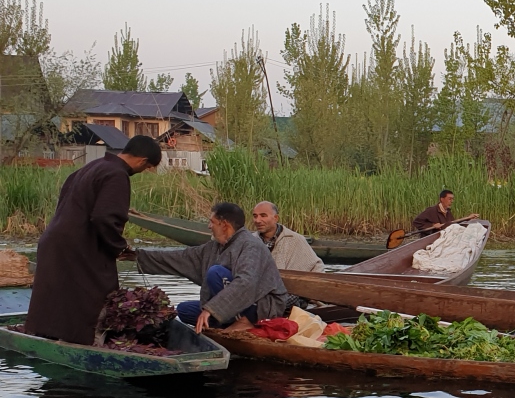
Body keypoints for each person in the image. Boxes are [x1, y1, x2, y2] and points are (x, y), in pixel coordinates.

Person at [25, 136, 162, 345]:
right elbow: (104, 217)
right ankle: (86, 343)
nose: (145, 171)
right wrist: (119, 247)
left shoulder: (92, 167)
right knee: (100, 293)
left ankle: (52, 337)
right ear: (143, 161)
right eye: (149, 167)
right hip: (79, 245)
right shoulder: (117, 175)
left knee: (59, 294)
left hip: (55, 242)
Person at [135, 202, 289, 332]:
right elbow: (183, 257)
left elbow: (246, 283)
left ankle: (245, 322)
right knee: (183, 310)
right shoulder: (214, 246)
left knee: (216, 273)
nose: (209, 226)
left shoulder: (250, 245)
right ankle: (227, 320)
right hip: (235, 305)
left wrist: (211, 310)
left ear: (224, 225)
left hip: (263, 307)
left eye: (212, 222)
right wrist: (137, 255)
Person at [251, 201, 325, 272]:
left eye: (263, 216)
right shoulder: (250, 241)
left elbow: (316, 267)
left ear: (276, 218)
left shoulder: (295, 240)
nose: (257, 220)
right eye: (255, 216)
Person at [412, 190, 478, 237]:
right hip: (431, 239)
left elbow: (452, 224)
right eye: (450, 199)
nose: (452, 201)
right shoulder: (431, 210)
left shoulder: (448, 212)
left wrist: (468, 218)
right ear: (442, 199)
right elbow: (416, 222)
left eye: (452, 199)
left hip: (444, 237)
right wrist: (432, 225)